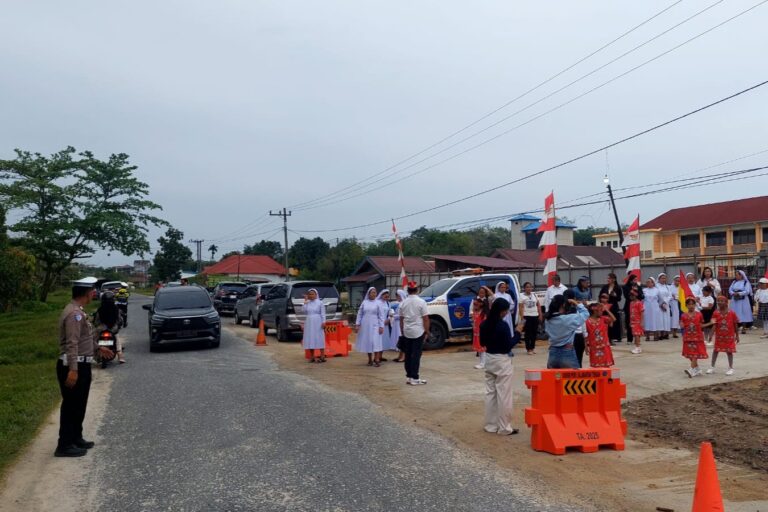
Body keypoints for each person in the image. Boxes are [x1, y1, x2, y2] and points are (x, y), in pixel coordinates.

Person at [56, 277, 114, 457]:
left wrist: (98, 348)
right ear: (86, 293)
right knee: (71, 405)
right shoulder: (75, 314)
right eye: (92, 291)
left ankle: (76, 437)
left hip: (82, 363)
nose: (94, 293)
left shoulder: (78, 311)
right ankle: (64, 445)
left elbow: (84, 339)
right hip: (74, 365)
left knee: (79, 404)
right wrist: (73, 370)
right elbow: (72, 343)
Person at [479, 298, 518, 435]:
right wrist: (518, 333)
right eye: (506, 310)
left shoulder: (484, 324)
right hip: (502, 360)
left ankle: (491, 425)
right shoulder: (503, 326)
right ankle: (504, 427)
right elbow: (508, 345)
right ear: (502, 311)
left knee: (491, 393)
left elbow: (482, 342)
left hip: (489, 358)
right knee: (504, 395)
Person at [544, 295, 589, 369]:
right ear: (563, 305)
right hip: (567, 351)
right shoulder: (568, 319)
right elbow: (586, 314)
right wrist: (576, 303)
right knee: (571, 378)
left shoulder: (547, 320)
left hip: (553, 351)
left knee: (554, 378)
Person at [399, 281, 429, 386]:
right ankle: (415, 377)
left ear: (408, 291)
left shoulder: (403, 303)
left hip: (407, 331)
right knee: (416, 355)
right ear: (417, 290)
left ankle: (409, 376)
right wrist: (427, 331)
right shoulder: (421, 302)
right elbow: (425, 319)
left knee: (408, 354)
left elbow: (401, 319)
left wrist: (402, 331)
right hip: (418, 331)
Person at [704, 295, 740, 375]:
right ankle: (712, 367)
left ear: (726, 303)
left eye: (721, 301)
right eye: (718, 301)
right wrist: (711, 334)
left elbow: (735, 324)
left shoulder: (732, 313)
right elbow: (714, 324)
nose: (719, 302)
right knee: (715, 351)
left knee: (729, 352)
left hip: (729, 336)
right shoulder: (715, 313)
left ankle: (731, 368)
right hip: (719, 336)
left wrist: (737, 335)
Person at [355, 287, 385, 367]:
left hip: (375, 324)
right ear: (369, 294)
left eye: (375, 292)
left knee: (375, 341)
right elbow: (360, 313)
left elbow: (381, 316)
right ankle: (370, 359)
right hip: (366, 325)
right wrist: (357, 324)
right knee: (368, 342)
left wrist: (381, 326)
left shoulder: (378, 303)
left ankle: (377, 359)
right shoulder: (364, 302)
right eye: (372, 292)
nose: (374, 294)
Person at [92, 291, 125, 364]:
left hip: (101, 328)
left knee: (93, 339)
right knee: (117, 338)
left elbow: (96, 321)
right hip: (113, 329)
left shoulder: (100, 309)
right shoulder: (116, 309)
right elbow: (119, 320)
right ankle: (120, 355)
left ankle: (94, 354)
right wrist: (119, 326)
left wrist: (96, 326)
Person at [680, 297, 707, 378]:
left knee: (695, 353)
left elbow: (702, 325)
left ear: (695, 305)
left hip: (697, 337)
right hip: (687, 337)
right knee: (690, 354)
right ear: (686, 305)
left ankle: (691, 369)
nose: (691, 306)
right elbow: (682, 325)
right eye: (689, 304)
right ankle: (697, 369)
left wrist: (710, 323)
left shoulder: (699, 314)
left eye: (693, 304)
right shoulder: (683, 315)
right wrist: (681, 325)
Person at [585, 303, 615, 368]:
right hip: (594, 347)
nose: (602, 312)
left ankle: (606, 378)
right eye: (601, 310)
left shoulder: (603, 319)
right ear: (595, 311)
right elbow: (585, 335)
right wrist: (586, 347)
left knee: (606, 365)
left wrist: (607, 310)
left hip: (604, 347)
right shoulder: (587, 321)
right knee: (596, 367)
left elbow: (613, 319)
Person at [471, 286, 494, 369]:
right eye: (480, 292)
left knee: (483, 345)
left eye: (483, 292)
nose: (481, 294)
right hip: (477, 327)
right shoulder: (475, 301)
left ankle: (483, 363)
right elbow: (472, 311)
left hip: (484, 327)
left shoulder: (488, 301)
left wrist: (487, 289)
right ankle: (482, 362)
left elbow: (494, 297)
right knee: (479, 345)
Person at [301, 288, 326, 363]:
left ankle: (322, 356)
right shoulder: (307, 303)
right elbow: (303, 311)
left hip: (318, 321)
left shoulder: (320, 303)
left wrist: (324, 322)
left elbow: (323, 313)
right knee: (310, 337)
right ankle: (312, 356)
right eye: (309, 294)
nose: (311, 296)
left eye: (312, 294)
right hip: (309, 322)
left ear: (316, 295)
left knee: (319, 337)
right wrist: (305, 301)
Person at [517, 282, 542, 355]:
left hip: (535, 315)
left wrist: (540, 314)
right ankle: (528, 349)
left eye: (530, 287)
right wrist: (522, 318)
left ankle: (532, 347)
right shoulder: (521, 296)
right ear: (524, 288)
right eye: (527, 287)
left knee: (534, 333)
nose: (529, 288)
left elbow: (538, 305)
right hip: (527, 316)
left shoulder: (534, 295)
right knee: (528, 333)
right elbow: (520, 307)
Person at [599, 273, 623, 344]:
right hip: (605, 305)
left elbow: (619, 298)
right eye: (608, 278)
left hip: (613, 306)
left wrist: (615, 295)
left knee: (613, 321)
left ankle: (613, 337)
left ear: (614, 279)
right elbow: (600, 295)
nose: (608, 280)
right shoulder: (605, 287)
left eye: (609, 278)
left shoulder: (617, 287)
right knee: (605, 321)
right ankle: (605, 337)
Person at [622, 274, 644, 345]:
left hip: (637, 306)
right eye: (634, 280)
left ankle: (637, 339)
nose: (635, 281)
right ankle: (629, 338)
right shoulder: (625, 287)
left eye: (636, 279)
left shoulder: (639, 286)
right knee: (629, 322)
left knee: (637, 323)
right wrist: (632, 290)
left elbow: (642, 296)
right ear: (630, 280)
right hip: (629, 306)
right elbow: (626, 296)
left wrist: (637, 291)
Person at [388, 290, 408, 362]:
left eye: (398, 296)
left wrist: (393, 316)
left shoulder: (403, 304)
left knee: (402, 340)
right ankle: (400, 356)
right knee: (400, 340)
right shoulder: (400, 303)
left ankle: (404, 357)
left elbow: (402, 315)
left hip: (400, 323)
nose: (397, 297)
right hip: (397, 324)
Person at [642, 277, 662, 342]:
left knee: (655, 321)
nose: (648, 283)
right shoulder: (644, 290)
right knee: (647, 321)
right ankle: (647, 336)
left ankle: (655, 335)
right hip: (646, 307)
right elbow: (641, 299)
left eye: (649, 282)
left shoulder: (657, 290)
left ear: (653, 283)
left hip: (655, 308)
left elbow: (661, 299)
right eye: (647, 282)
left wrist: (661, 305)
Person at [377, 289, 395, 360]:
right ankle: (377, 356)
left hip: (386, 325)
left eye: (387, 297)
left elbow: (390, 313)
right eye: (385, 296)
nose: (386, 298)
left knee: (384, 341)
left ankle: (380, 356)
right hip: (379, 325)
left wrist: (388, 319)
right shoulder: (377, 303)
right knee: (378, 340)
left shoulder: (388, 304)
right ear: (381, 295)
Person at [656, 274, 672, 340]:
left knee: (666, 320)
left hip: (666, 305)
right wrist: (661, 303)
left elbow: (670, 295)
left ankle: (666, 333)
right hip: (659, 305)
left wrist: (665, 302)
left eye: (664, 278)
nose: (663, 280)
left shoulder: (668, 287)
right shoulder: (656, 286)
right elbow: (656, 295)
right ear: (659, 279)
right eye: (662, 278)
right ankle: (660, 334)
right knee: (660, 320)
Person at [629, 289, 645, 354]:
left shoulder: (639, 303)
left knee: (637, 334)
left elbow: (642, 313)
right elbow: (630, 312)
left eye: (632, 295)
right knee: (635, 334)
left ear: (636, 295)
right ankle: (638, 347)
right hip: (633, 321)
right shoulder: (631, 303)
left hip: (638, 321)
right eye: (630, 295)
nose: (631, 297)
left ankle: (637, 347)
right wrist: (630, 321)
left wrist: (641, 322)